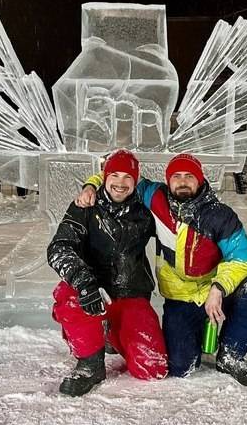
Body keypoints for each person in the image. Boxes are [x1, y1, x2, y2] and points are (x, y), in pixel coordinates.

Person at [77, 153, 247, 386]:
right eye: (176, 176)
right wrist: (91, 185)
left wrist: (218, 288)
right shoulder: (155, 197)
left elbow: (244, 258)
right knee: (181, 367)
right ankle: (199, 330)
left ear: (199, 180)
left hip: (215, 292)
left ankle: (231, 354)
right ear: (168, 180)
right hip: (180, 297)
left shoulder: (220, 215)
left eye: (189, 176)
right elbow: (121, 178)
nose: (182, 181)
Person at [47, 149, 167, 397]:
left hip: (130, 292)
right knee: (70, 297)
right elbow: (59, 247)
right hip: (92, 290)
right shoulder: (85, 205)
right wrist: (83, 282)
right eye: (114, 175)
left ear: (136, 181)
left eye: (127, 177)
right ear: (104, 176)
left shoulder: (146, 210)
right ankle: (90, 364)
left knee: (152, 369)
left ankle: (111, 333)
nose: (120, 183)